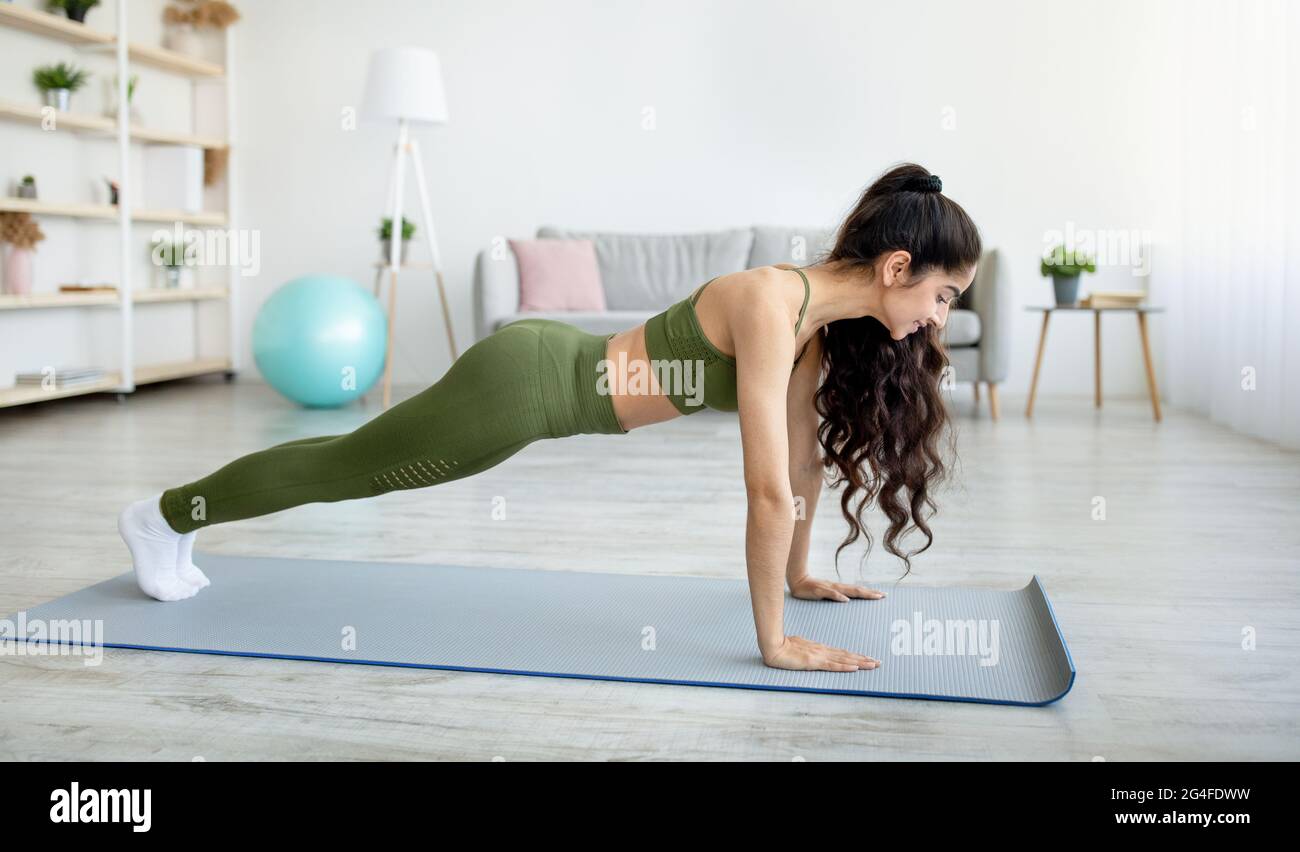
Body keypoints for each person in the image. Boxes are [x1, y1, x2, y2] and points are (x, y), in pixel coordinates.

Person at [117, 162, 981, 674]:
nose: (938, 315)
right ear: (897, 266)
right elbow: (761, 490)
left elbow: (799, 474)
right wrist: (776, 642)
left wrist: (799, 578)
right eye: (941, 294)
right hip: (523, 389)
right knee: (348, 469)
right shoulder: (768, 302)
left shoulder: (813, 329)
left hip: (545, 381)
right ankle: (163, 517)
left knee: (348, 462)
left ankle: (175, 522)